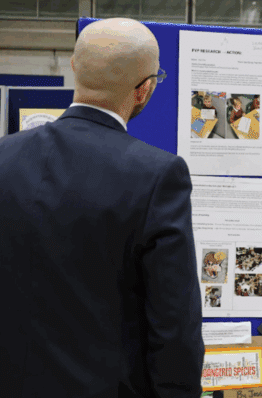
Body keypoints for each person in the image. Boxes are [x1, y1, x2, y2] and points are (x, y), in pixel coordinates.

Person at [0, 18, 204, 397]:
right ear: (144, 89)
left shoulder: (4, 157)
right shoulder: (158, 176)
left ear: (74, 67)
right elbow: (175, 326)